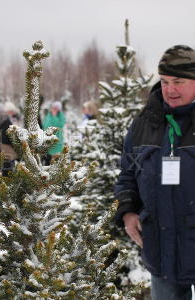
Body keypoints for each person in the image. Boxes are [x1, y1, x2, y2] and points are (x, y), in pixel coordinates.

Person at [115, 45, 195, 300]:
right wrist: (127, 211)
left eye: (179, 82)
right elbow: (127, 173)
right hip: (162, 250)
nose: (170, 90)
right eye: (164, 81)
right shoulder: (145, 122)